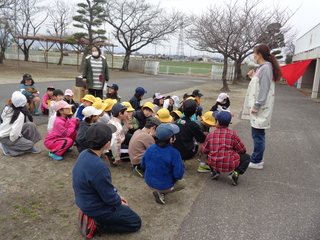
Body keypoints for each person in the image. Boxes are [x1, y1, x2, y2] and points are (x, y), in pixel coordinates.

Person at [72, 122, 142, 233]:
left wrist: (117, 196)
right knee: (135, 222)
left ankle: (94, 217)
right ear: (108, 144)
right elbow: (108, 197)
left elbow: (103, 188)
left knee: (124, 210)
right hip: (95, 208)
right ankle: (97, 225)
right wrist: (118, 201)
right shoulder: (99, 166)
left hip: (84, 201)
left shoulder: (84, 153)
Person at [242, 44, 282, 170]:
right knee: (257, 134)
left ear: (259, 55)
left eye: (254, 53)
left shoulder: (265, 68)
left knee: (258, 135)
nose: (253, 56)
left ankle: (257, 160)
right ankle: (257, 157)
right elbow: (260, 84)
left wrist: (257, 105)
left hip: (260, 108)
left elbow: (264, 89)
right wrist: (252, 78)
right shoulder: (263, 67)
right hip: (260, 107)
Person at [141, 123, 186, 205]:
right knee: (183, 183)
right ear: (171, 139)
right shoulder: (174, 153)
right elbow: (178, 175)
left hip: (149, 182)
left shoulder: (150, 148)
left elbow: (143, 164)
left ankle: (159, 191)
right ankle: (162, 192)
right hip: (164, 185)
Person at [202, 111, 250, 186]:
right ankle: (235, 173)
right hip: (230, 163)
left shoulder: (211, 134)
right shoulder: (233, 134)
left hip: (214, 162)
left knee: (208, 153)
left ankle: (215, 171)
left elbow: (204, 150)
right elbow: (242, 150)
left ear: (217, 122)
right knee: (247, 157)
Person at [0, 91, 42, 156]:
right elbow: (14, 134)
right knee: (29, 144)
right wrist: (18, 139)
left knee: (30, 125)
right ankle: (7, 148)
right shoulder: (20, 115)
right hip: (6, 137)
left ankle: (28, 146)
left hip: (4, 134)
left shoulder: (7, 108)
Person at [172, 99, 206, 163]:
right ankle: (203, 164)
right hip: (187, 153)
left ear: (182, 108)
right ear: (195, 111)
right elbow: (202, 139)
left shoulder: (177, 121)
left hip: (175, 151)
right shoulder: (193, 125)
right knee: (204, 142)